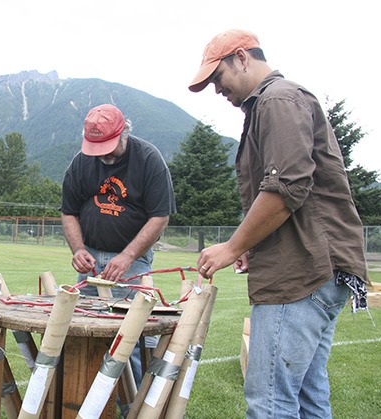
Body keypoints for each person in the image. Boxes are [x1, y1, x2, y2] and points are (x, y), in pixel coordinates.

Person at [188, 29, 369, 418]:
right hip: (316, 269)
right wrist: (256, 247)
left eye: (217, 77)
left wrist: (232, 246)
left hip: (302, 273)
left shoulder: (278, 99)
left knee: (270, 402)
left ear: (241, 58)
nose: (217, 90)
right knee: (306, 395)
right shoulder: (274, 103)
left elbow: (286, 188)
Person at [61, 103, 176, 391]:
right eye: (97, 148)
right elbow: (69, 211)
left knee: (129, 341)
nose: (103, 155)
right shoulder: (81, 162)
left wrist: (126, 256)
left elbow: (160, 216)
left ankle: (130, 406)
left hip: (132, 262)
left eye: (108, 147)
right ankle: (88, 402)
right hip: (90, 258)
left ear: (124, 133)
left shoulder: (149, 159)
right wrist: (77, 249)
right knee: (84, 331)